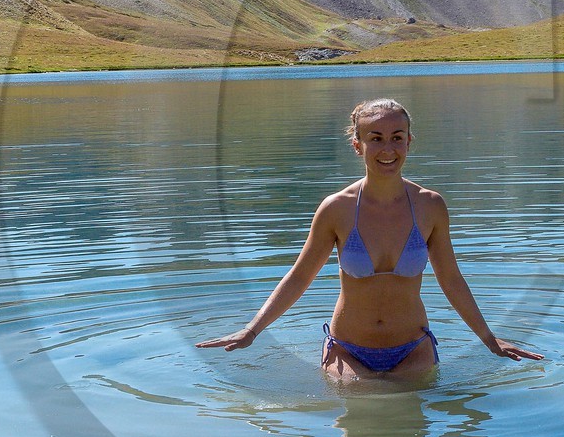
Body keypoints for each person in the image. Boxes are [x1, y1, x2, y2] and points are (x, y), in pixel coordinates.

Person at [197, 98, 542, 380]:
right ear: (357, 144)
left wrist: (488, 338)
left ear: (409, 141)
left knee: (408, 435)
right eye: (375, 137)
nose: (387, 148)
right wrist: (252, 330)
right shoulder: (337, 209)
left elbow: (450, 278)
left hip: (413, 349)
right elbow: (300, 276)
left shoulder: (430, 206)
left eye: (397, 136)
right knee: (364, 414)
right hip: (348, 350)